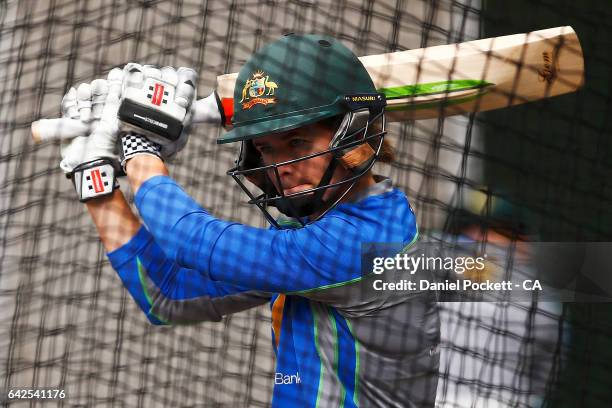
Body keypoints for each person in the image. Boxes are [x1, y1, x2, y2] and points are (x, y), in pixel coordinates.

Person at [56, 34, 440, 407]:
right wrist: (94, 178)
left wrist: (139, 149)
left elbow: (191, 240)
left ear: (352, 131)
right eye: (265, 149)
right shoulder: (319, 231)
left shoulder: (365, 244)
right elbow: (168, 294)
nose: (280, 168)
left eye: (296, 143)